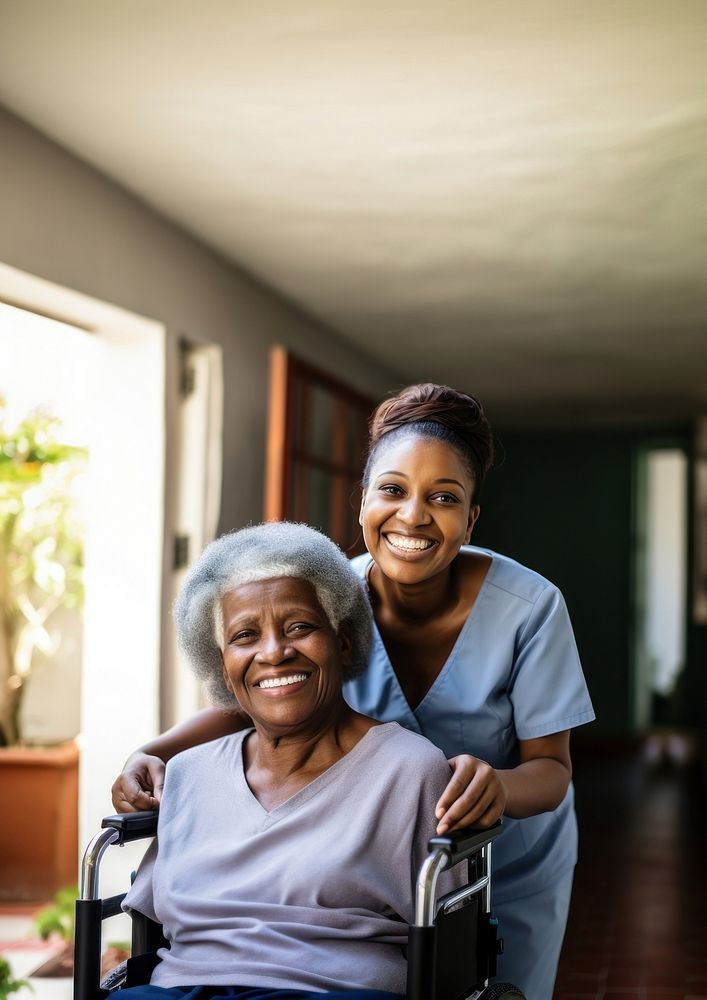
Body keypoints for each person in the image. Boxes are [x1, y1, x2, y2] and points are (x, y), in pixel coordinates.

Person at [113, 383, 595, 1000]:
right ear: (362, 500)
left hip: (506, 856)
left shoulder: (529, 608)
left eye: (443, 498)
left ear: (471, 518)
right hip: (367, 870)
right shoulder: (326, 597)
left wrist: (496, 787)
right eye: (392, 490)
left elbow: (551, 769)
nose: (414, 516)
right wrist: (152, 751)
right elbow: (254, 699)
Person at [121, 520, 462, 1000]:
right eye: (245, 635)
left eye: (299, 626)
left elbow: (451, 942)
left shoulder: (408, 770)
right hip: (179, 989)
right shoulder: (187, 774)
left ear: (342, 642)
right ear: (224, 666)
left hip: (331, 991)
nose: (274, 653)